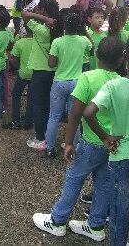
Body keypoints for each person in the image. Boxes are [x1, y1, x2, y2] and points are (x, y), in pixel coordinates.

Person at [32, 36, 124, 242]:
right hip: (112, 144)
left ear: (96, 54)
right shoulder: (121, 81)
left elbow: (75, 113)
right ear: (121, 60)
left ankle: (57, 221)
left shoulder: (88, 77)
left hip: (91, 141)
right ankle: (96, 225)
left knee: (74, 178)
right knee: (104, 184)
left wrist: (69, 142)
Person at [83, 35, 129, 246]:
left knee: (119, 213)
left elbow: (88, 113)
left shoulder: (113, 86)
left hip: (121, 157)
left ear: (124, 56)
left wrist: (104, 137)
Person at [44, 13, 92, 155]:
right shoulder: (83, 40)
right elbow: (92, 47)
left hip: (60, 81)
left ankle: (49, 148)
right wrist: (84, 31)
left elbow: (51, 63)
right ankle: (73, 147)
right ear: (79, 26)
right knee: (74, 117)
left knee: (54, 116)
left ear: (64, 26)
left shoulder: (57, 42)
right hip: (77, 82)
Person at [22, 0, 60, 149]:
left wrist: (43, 18)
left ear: (43, 11)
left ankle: (40, 138)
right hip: (53, 71)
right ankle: (48, 135)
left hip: (40, 71)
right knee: (48, 105)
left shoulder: (41, 29)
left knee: (37, 105)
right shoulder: (56, 29)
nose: (36, 10)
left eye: (39, 8)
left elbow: (24, 14)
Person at [6, 27, 34, 130]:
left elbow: (14, 60)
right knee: (31, 97)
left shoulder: (20, 43)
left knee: (16, 95)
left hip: (23, 73)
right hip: (35, 73)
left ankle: (16, 121)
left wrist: (18, 67)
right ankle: (28, 121)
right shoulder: (39, 42)